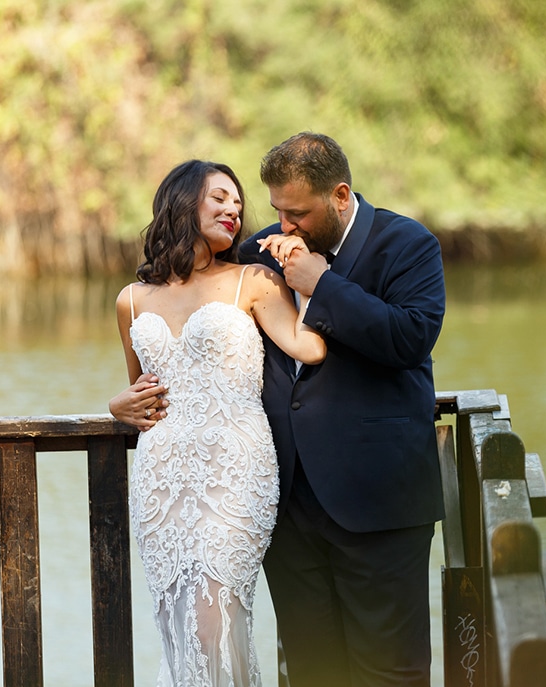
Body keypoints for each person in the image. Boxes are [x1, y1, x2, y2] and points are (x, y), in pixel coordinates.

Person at [108, 159, 327, 687]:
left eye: (238, 203)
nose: (234, 210)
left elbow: (310, 347)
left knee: (213, 623)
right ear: (183, 203)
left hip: (234, 472)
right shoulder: (130, 300)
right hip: (162, 480)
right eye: (220, 198)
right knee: (177, 628)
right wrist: (118, 408)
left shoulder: (253, 280)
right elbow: (143, 392)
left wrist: (313, 279)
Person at [242, 131, 447, 687]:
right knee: (312, 673)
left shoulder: (409, 245)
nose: (284, 226)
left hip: (379, 501)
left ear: (339, 195)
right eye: (277, 210)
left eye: (298, 213)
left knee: (390, 673)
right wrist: (136, 393)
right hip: (288, 507)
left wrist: (323, 285)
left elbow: (410, 338)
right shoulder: (258, 253)